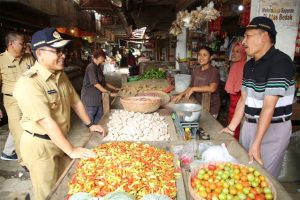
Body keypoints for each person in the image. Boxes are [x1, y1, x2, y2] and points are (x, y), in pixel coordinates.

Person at [13, 27, 105, 200]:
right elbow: (46, 121)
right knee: (47, 193)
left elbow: (75, 101)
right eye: (58, 51)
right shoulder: (29, 83)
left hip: (59, 139)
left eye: (64, 50)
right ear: (39, 53)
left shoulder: (59, 75)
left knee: (68, 184)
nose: (63, 55)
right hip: (40, 146)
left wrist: (90, 124)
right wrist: (71, 150)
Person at [220, 16, 296, 178]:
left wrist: (256, 143)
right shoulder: (249, 65)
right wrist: (231, 128)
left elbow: (269, 106)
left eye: (248, 36)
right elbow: (243, 99)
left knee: (263, 177)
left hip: (273, 129)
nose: (244, 42)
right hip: (249, 125)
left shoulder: (280, 62)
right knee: (244, 172)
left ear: (265, 36)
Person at [0, 31, 35, 162]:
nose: (24, 45)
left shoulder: (28, 58)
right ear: (11, 44)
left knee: (32, 128)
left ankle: (28, 155)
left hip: (30, 99)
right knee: (19, 132)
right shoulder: (1, 60)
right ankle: (25, 162)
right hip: (12, 101)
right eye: (21, 43)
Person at [173, 46, 221, 118]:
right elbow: (190, 87)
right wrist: (181, 95)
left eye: (205, 55)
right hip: (197, 105)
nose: (201, 57)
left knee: (207, 127)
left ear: (210, 57)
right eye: (199, 55)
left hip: (210, 108)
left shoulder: (214, 71)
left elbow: (212, 88)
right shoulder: (196, 70)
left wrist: (194, 89)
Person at [81, 49, 120, 124]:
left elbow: (104, 82)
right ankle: (91, 131)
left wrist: (116, 88)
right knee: (90, 117)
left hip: (98, 96)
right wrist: (108, 93)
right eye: (102, 57)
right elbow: (96, 84)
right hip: (90, 97)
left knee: (100, 115)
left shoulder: (98, 67)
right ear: (97, 57)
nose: (104, 59)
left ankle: (97, 129)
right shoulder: (91, 67)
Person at [224, 42, 247, 140]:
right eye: (233, 51)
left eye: (237, 51)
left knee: (236, 121)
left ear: (244, 53)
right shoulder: (235, 65)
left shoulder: (244, 65)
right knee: (232, 119)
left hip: (240, 99)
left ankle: (234, 142)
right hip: (234, 99)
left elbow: (242, 89)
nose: (234, 54)